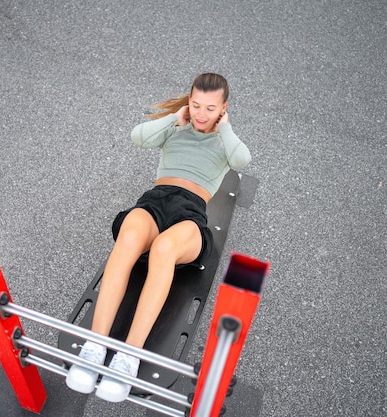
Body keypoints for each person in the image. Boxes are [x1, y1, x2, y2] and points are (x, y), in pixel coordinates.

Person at [66, 73, 251, 402]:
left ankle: (128, 358)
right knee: (129, 233)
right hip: (155, 201)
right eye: (195, 105)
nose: (201, 113)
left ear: (224, 108)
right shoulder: (175, 128)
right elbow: (138, 137)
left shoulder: (225, 140)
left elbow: (242, 161)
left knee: (165, 249)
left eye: (210, 108)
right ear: (189, 101)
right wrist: (173, 118)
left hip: (190, 215)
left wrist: (225, 127)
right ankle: (94, 348)